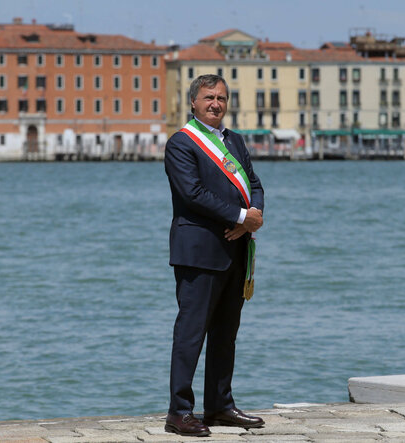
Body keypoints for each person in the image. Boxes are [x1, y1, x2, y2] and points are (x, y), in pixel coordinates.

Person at [163, 74, 265, 437]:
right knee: (191, 335)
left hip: (235, 249)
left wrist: (251, 221)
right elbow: (192, 193)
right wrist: (241, 217)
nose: (216, 104)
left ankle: (220, 405)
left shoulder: (234, 140)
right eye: (209, 97)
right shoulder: (181, 143)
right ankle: (179, 412)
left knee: (226, 333)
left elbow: (254, 184)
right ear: (193, 102)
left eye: (221, 98)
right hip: (199, 252)